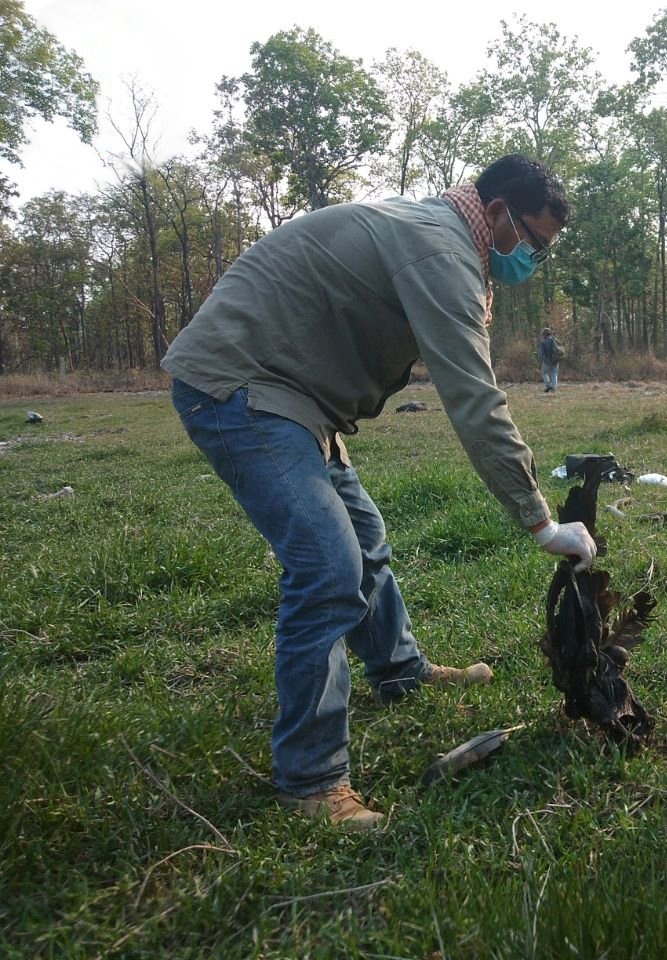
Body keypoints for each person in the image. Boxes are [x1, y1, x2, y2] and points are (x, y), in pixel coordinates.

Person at [161, 155, 597, 830]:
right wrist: (540, 520)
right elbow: (474, 400)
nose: (530, 261)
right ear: (502, 211)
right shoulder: (442, 253)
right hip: (242, 385)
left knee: (365, 541)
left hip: (299, 399)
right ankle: (310, 784)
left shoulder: (444, 232)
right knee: (328, 568)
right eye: (533, 244)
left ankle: (399, 670)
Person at [538, 327, 563, 392]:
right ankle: (553, 388)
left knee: (544, 373)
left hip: (547, 361)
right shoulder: (555, 340)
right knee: (554, 374)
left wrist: (540, 360)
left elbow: (541, 353)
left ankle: (549, 385)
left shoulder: (543, 342)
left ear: (545, 334)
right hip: (555, 361)